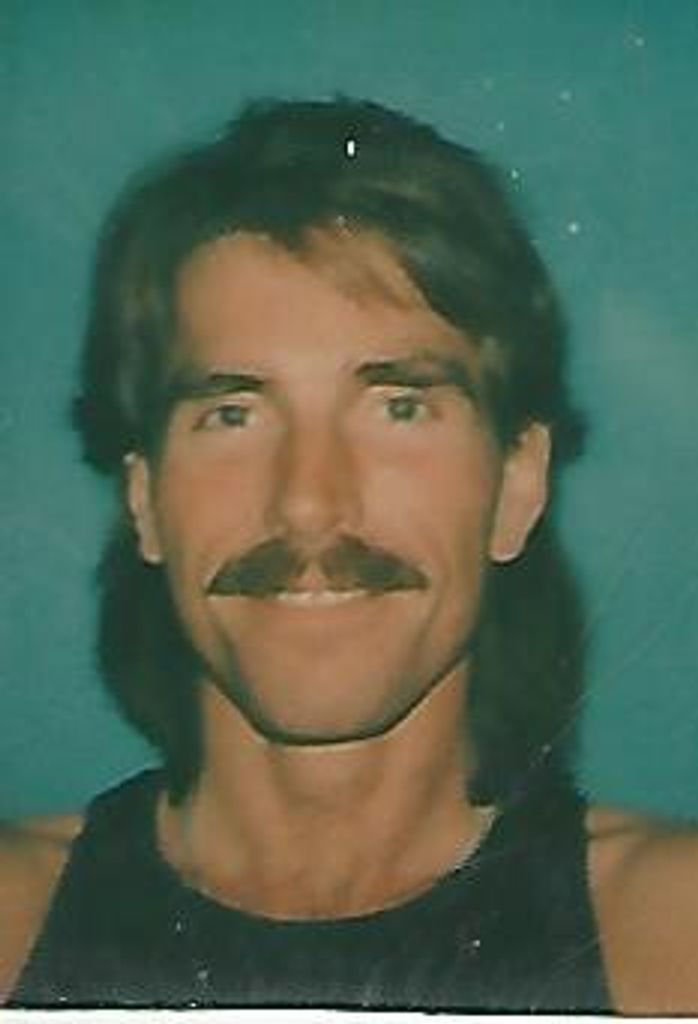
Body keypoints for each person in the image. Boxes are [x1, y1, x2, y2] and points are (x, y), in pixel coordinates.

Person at [1, 97, 697, 1013]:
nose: (308, 500)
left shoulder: (672, 938)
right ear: (145, 500)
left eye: (399, 407)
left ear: (517, 485)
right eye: (233, 414)